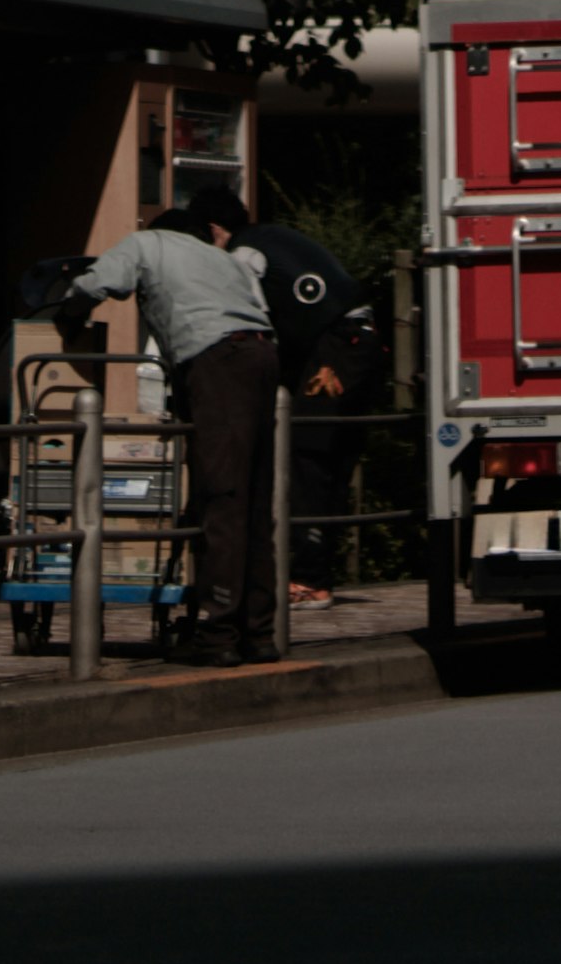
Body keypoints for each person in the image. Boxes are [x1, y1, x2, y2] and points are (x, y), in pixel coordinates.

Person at [51, 187, 279, 664]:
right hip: (261, 354)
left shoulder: (148, 243)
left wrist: (68, 311)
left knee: (222, 497)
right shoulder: (224, 259)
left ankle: (218, 636)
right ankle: (257, 633)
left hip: (217, 360)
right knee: (253, 501)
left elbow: (97, 283)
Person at [241, 212, 380, 609]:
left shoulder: (245, 250)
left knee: (308, 456)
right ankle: (316, 573)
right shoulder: (277, 238)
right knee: (332, 457)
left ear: (216, 228)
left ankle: (310, 579)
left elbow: (254, 313)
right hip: (360, 341)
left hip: (334, 350)